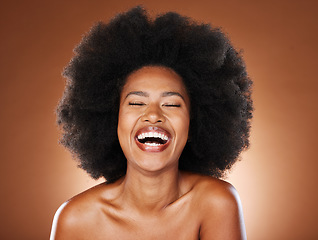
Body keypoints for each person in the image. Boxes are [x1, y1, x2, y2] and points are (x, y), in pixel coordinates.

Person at [50, 6, 253, 240]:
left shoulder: (216, 203)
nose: (154, 115)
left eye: (172, 104)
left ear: (194, 121)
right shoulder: (76, 219)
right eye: (136, 103)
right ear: (111, 117)